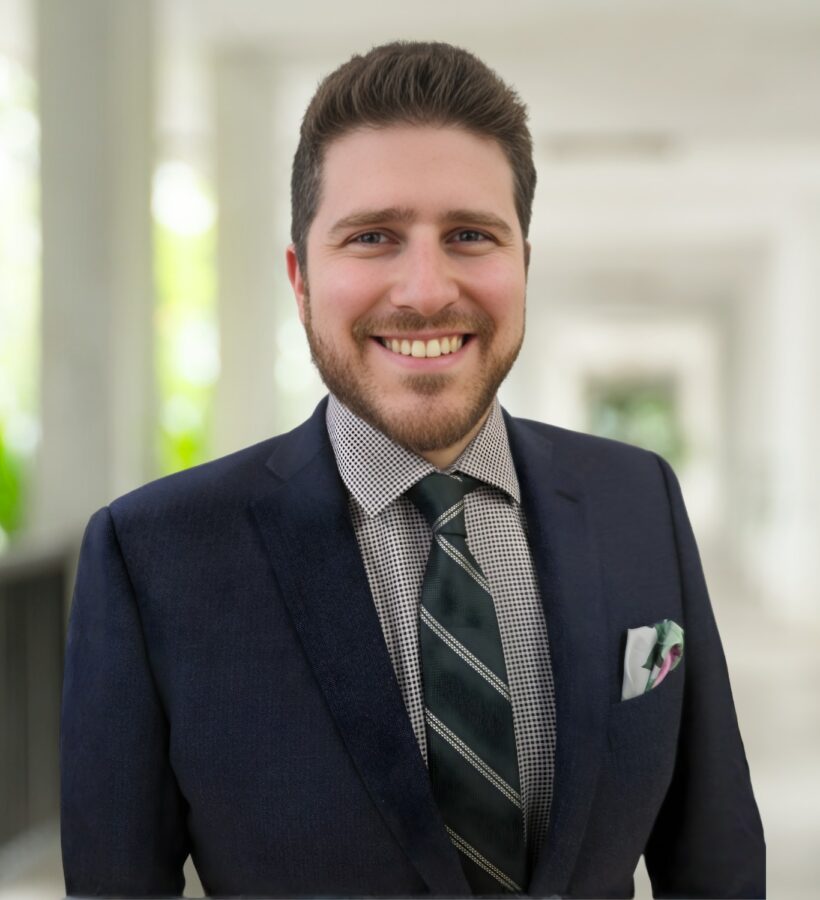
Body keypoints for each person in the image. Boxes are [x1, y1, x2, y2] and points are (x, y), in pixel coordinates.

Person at [60, 41, 765, 898]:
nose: (426, 289)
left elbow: (717, 859)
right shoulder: (154, 557)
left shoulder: (637, 499)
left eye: (470, 235)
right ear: (301, 280)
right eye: (372, 237)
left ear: (524, 266)